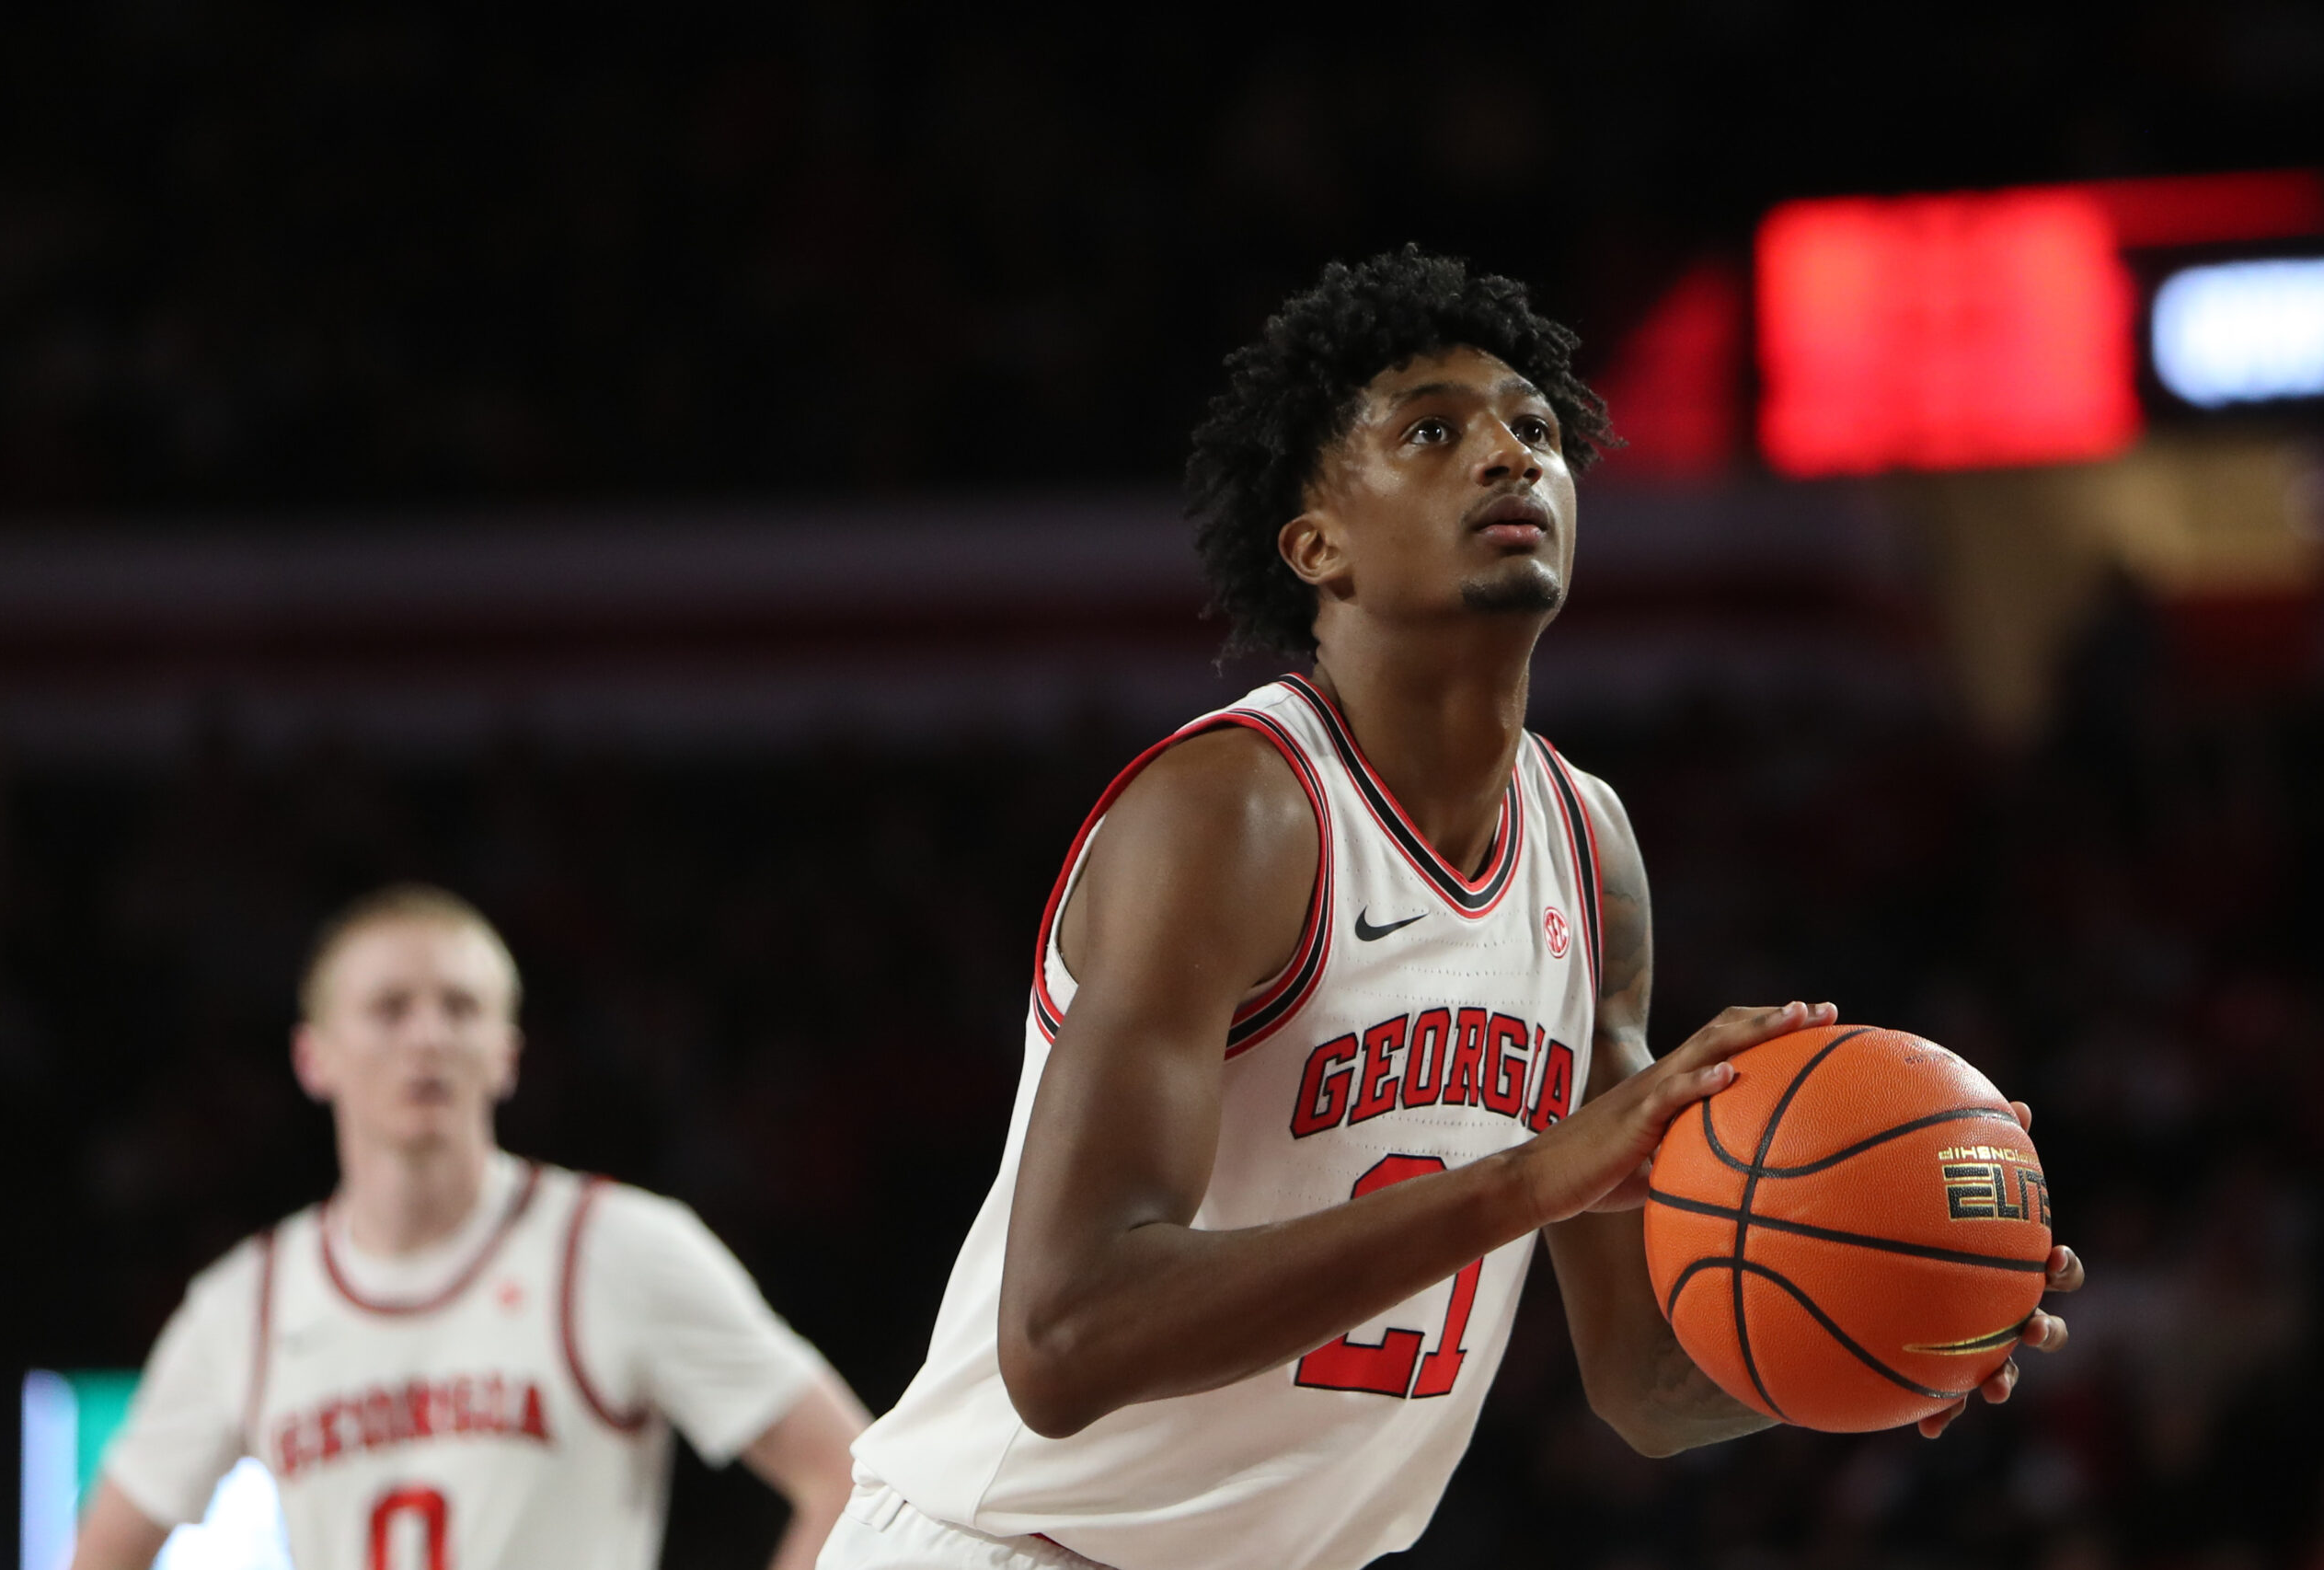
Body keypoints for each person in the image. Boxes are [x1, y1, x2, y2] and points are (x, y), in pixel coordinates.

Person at [824, 248, 2085, 1570]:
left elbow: (1645, 1382)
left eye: (1536, 430)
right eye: (1433, 431)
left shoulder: (1587, 848)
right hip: (1005, 1545)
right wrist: (1531, 1178)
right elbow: (1064, 1338)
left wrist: (1894, 1318)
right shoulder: (1236, 813)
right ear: (1315, 544)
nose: (1507, 455)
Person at [72, 883, 869, 1570]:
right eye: (389, 1009)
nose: (428, 1036)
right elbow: (102, 1553)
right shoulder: (245, 1303)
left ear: (507, 1054)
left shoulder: (617, 1249)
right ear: (313, 1057)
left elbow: (853, 1477)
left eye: (460, 1008)